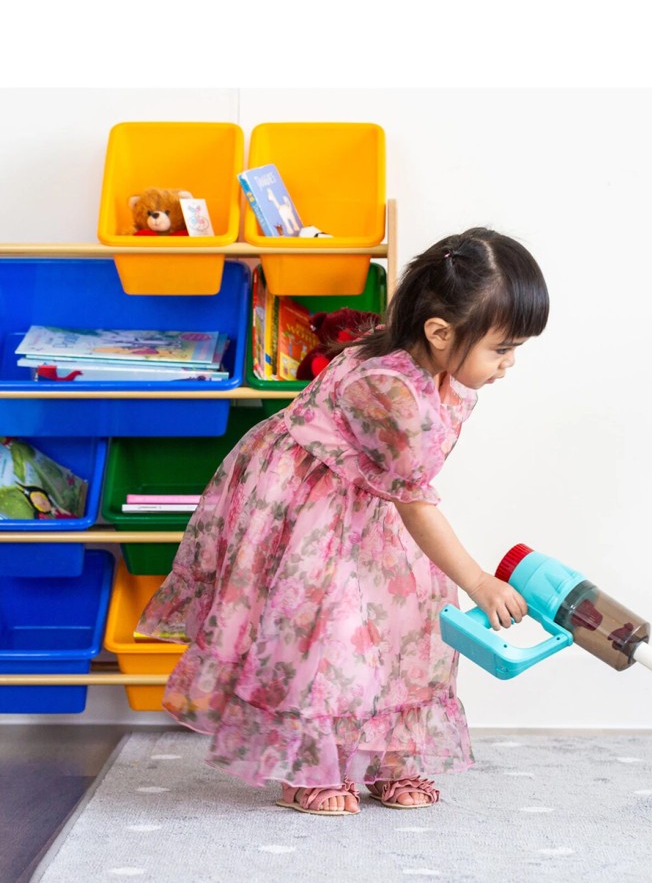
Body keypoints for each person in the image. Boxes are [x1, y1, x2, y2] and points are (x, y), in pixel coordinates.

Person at [137, 227, 549, 815]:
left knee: (406, 620)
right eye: (501, 349)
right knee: (325, 632)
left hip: (371, 502)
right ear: (440, 332)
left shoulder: (432, 366)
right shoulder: (391, 390)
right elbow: (415, 501)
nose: (509, 365)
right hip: (312, 507)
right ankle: (308, 765)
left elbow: (403, 485)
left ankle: (387, 756)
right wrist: (479, 581)